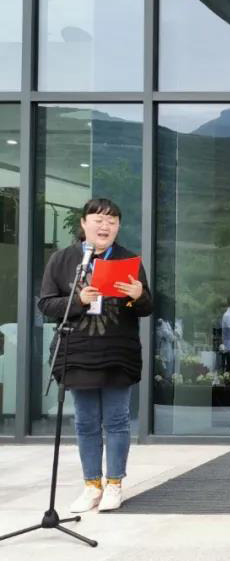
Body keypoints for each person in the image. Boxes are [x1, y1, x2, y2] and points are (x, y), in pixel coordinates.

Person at [39, 198, 153, 514]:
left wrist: (138, 295)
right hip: (78, 352)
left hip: (117, 352)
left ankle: (114, 484)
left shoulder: (129, 259)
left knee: (116, 420)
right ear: (84, 223)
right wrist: (78, 300)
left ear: (118, 227)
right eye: (99, 220)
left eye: (112, 221)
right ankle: (92, 485)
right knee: (86, 421)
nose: (105, 226)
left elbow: (146, 307)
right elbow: (46, 304)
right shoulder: (63, 260)